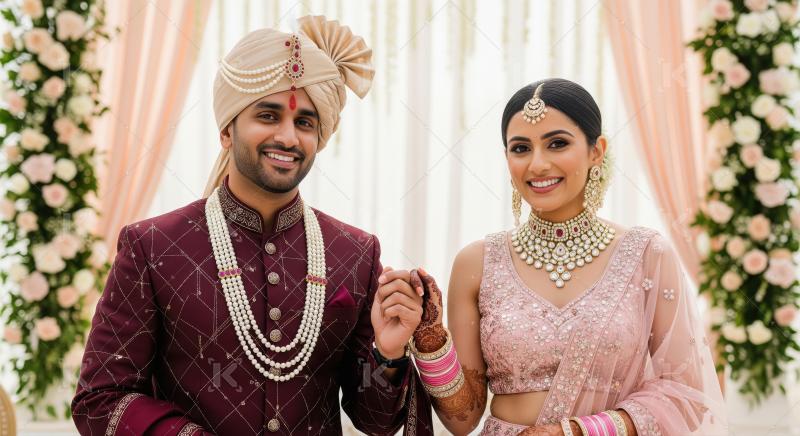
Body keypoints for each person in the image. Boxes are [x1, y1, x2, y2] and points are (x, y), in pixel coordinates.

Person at [72, 15, 433, 436]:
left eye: (304, 123)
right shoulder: (153, 247)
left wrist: (388, 356)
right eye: (268, 115)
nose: (288, 137)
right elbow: (101, 398)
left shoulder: (354, 253)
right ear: (227, 130)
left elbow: (375, 419)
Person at [383, 78, 728, 435]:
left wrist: (576, 431)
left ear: (596, 151)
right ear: (507, 158)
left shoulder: (646, 254)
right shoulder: (477, 262)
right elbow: (463, 418)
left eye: (557, 144)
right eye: (520, 149)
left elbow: (685, 395)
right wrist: (431, 341)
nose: (537, 164)